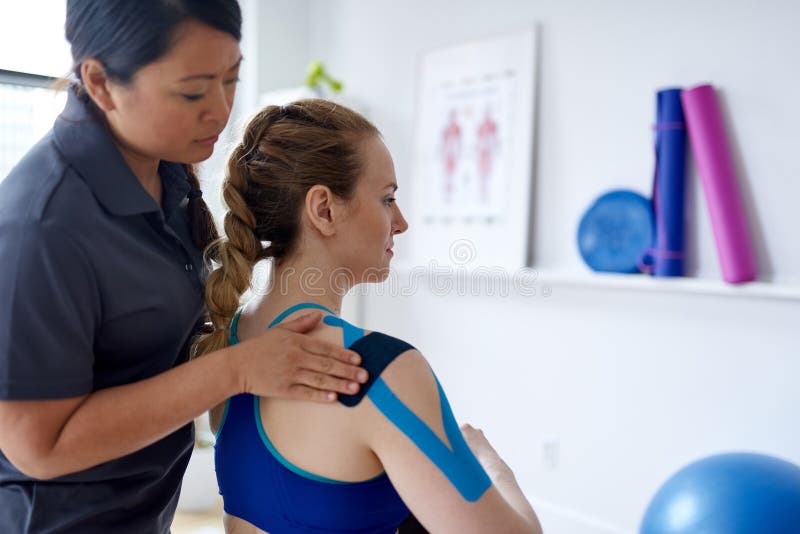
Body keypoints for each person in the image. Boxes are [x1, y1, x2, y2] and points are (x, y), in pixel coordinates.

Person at [0, 2, 368, 532]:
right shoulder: (42, 228)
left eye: (232, 79)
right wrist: (237, 370)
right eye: (194, 90)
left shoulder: (166, 168)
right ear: (100, 82)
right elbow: (39, 446)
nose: (220, 110)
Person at [195, 99, 542, 533]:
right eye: (387, 198)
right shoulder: (377, 369)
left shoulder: (228, 347)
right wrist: (490, 464)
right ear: (324, 209)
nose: (401, 222)